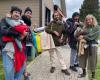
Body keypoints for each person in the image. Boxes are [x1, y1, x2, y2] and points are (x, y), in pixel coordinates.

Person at [0, 6, 28, 80]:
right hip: (8, 49)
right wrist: (19, 34)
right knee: (9, 70)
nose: (17, 14)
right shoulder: (5, 20)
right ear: (11, 13)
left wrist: (25, 36)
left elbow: (27, 34)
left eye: (19, 13)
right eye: (15, 12)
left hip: (19, 49)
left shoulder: (22, 23)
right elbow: (4, 31)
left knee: (21, 68)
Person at [45, 11, 70, 75]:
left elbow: (65, 33)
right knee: (52, 55)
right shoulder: (51, 23)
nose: (56, 16)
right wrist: (53, 31)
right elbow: (46, 29)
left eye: (57, 15)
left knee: (60, 56)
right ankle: (53, 66)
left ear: (59, 16)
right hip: (51, 42)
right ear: (53, 17)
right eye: (55, 15)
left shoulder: (62, 24)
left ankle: (64, 68)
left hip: (58, 43)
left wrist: (63, 39)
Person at [75, 14, 100, 79]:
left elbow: (92, 36)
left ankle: (93, 75)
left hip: (93, 46)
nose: (88, 21)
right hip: (84, 45)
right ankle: (83, 73)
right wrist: (79, 34)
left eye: (89, 19)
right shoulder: (85, 27)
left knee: (92, 60)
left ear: (92, 19)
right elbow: (77, 35)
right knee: (82, 58)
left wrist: (83, 36)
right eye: (87, 20)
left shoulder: (97, 27)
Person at [22, 7, 33, 80]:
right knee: (23, 59)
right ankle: (25, 74)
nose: (29, 14)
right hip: (22, 43)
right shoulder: (21, 21)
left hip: (28, 43)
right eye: (27, 13)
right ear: (24, 13)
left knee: (25, 59)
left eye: (30, 13)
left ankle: (25, 71)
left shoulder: (28, 22)